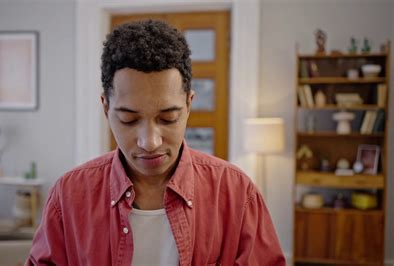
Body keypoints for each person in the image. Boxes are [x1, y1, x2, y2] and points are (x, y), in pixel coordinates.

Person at [27, 20, 286, 265]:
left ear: (188, 105)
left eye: (168, 118)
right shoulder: (69, 197)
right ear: (106, 108)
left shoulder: (236, 194)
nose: (150, 142)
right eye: (129, 119)